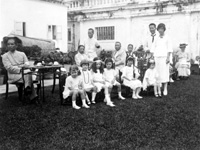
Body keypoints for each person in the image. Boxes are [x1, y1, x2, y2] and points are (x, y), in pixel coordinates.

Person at [2, 36, 38, 103]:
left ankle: (28, 89)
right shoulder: (5, 56)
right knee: (28, 74)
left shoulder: (22, 54)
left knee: (27, 74)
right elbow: (9, 68)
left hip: (24, 74)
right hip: (13, 75)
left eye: (12, 44)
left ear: (16, 45)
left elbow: (27, 64)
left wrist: (17, 66)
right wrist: (21, 67)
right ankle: (31, 93)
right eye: (8, 44)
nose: (10, 46)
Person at [150, 23, 173, 96]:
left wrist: (168, 57)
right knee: (158, 72)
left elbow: (169, 48)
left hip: (164, 57)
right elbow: (153, 47)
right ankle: (159, 88)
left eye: (162, 29)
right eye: (159, 29)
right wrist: (152, 56)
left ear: (164, 29)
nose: (160, 30)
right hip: (157, 57)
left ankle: (165, 88)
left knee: (165, 72)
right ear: (158, 30)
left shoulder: (167, 37)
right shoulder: (156, 38)